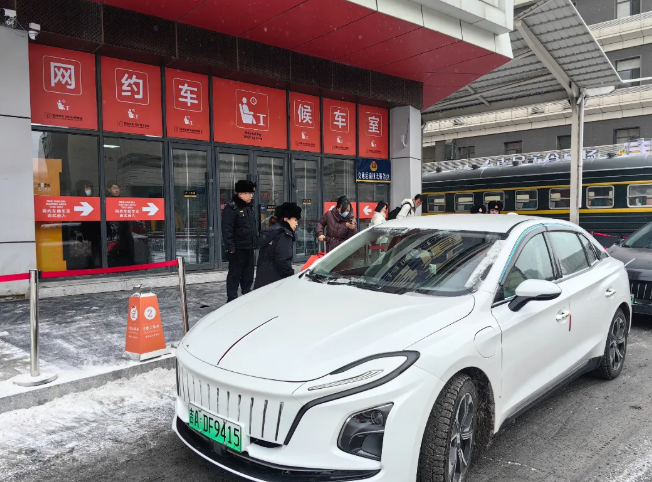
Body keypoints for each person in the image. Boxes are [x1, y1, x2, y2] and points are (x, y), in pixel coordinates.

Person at [222, 180, 258, 302]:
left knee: (248, 274)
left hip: (249, 247)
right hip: (237, 249)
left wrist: (255, 242)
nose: (251, 196)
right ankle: (231, 298)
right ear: (240, 194)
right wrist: (230, 247)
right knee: (235, 275)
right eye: (249, 193)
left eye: (252, 193)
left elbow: (252, 227)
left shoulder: (249, 207)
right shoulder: (232, 208)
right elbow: (227, 229)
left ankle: (246, 296)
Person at [254, 203, 302, 289]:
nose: (297, 224)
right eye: (295, 220)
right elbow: (283, 260)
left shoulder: (273, 230)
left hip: (264, 280)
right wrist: (290, 275)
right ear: (286, 219)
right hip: (275, 281)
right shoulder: (284, 234)